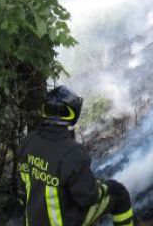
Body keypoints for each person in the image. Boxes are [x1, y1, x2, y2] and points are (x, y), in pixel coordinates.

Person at [18, 86, 134, 226]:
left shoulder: (28, 141)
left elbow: (22, 189)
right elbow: (87, 198)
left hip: (32, 222)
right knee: (119, 194)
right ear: (72, 114)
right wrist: (104, 187)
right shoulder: (72, 152)